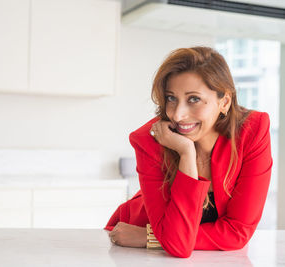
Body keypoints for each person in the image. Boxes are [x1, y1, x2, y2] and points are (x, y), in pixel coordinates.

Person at [104, 46, 273, 258]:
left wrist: (149, 238)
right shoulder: (149, 140)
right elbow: (177, 247)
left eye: (193, 99)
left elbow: (237, 232)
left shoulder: (253, 131)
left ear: (225, 102)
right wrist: (186, 152)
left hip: (144, 239)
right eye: (171, 98)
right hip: (130, 246)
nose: (177, 115)